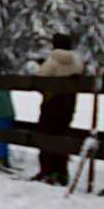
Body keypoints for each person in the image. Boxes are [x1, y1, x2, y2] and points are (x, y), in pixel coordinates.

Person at [33, 32, 84, 185]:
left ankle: (47, 171)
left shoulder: (53, 60)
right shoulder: (76, 61)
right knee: (62, 136)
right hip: (69, 105)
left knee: (45, 135)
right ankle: (61, 172)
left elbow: (41, 78)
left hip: (52, 103)